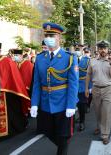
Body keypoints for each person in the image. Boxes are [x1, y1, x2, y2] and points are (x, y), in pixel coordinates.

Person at [30, 22, 79, 155]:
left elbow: (73, 84)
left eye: (52, 35)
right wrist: (34, 104)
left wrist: (71, 105)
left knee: (63, 136)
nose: (49, 38)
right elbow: (36, 83)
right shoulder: (40, 58)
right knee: (48, 132)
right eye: (47, 35)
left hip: (63, 103)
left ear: (59, 38)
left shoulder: (69, 58)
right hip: (46, 103)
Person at [85, 40, 111, 145]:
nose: (102, 50)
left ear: (108, 49)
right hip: (95, 89)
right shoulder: (92, 61)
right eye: (100, 48)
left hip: (108, 89)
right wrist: (86, 88)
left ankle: (105, 135)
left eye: (104, 48)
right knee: (98, 111)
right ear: (98, 49)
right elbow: (88, 75)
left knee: (106, 112)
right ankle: (99, 126)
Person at [0, 47, 30, 139]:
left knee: (10, 112)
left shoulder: (7, 61)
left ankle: (10, 130)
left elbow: (14, 78)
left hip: (7, 92)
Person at [77, 47, 92, 131]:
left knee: (81, 104)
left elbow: (90, 74)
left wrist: (90, 86)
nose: (77, 50)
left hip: (82, 84)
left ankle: (81, 122)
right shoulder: (71, 58)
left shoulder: (88, 60)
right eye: (77, 49)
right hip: (70, 85)